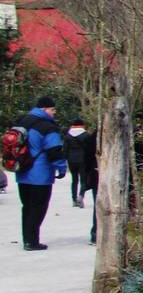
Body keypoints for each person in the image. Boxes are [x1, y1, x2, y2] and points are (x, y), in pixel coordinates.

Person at [16, 95, 67, 251]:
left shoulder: (21, 121)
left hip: (22, 171)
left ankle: (27, 239)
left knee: (27, 207)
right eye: (52, 110)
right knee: (38, 207)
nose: (54, 113)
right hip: (40, 174)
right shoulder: (47, 126)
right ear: (45, 109)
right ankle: (32, 241)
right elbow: (54, 150)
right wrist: (62, 167)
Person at [65, 117, 94, 207]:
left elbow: (65, 149)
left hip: (71, 159)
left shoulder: (68, 135)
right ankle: (81, 196)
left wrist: (66, 158)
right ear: (82, 125)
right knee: (83, 180)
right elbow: (90, 149)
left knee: (74, 180)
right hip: (83, 159)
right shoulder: (86, 135)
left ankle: (73, 199)